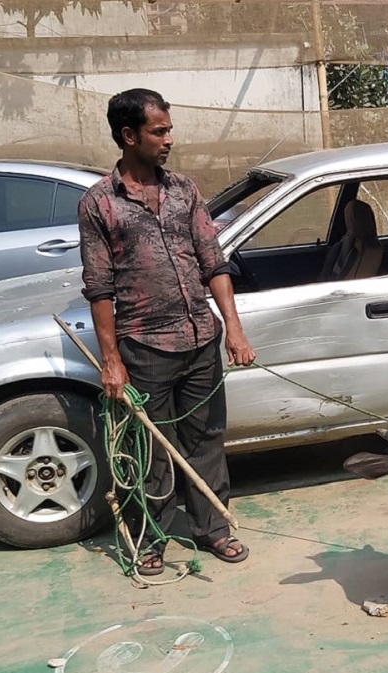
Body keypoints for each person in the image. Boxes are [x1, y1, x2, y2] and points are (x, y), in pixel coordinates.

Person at [79, 88, 256, 574]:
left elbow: (213, 262)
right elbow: (99, 289)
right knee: (153, 448)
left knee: (206, 439)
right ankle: (151, 536)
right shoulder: (98, 205)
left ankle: (212, 529)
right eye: (159, 131)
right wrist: (112, 361)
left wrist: (234, 331)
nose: (169, 140)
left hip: (201, 338)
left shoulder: (185, 190)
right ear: (128, 135)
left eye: (169, 129)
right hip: (145, 345)